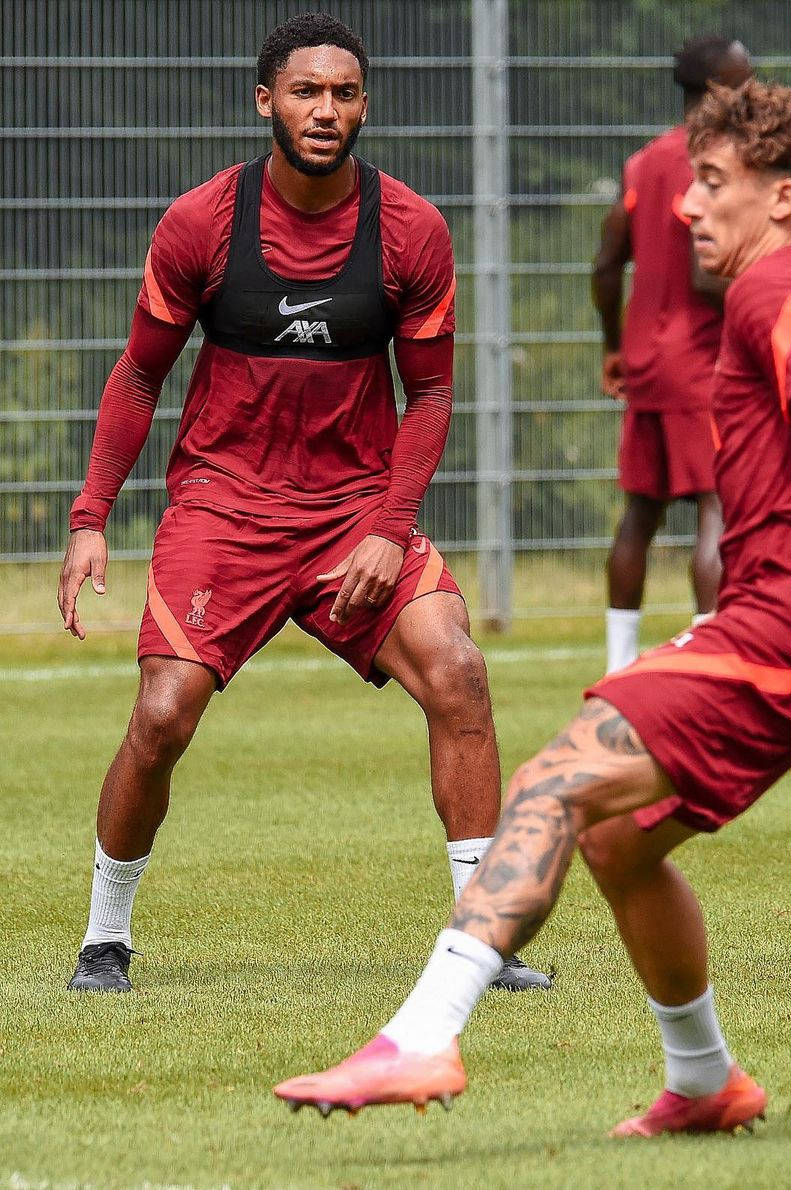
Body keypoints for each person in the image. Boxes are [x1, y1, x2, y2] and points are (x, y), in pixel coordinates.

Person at [275, 79, 791, 1137]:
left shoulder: (773, 291)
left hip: (781, 636)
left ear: (782, 199)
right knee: (619, 839)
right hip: (770, 627)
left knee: (551, 782)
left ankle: (422, 1033)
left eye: (711, 184)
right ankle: (704, 1080)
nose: (688, 208)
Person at [58, 12, 549, 995]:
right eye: (305, 91)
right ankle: (103, 937)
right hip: (222, 510)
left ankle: (482, 940)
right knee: (162, 714)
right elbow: (141, 374)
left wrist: (387, 526)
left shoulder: (411, 228)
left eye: (344, 93)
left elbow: (434, 395)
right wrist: (88, 516)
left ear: (365, 106)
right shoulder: (202, 222)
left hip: (354, 514)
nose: (325, 109)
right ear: (265, 101)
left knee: (459, 672)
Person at [593, 36, 752, 675]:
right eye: (743, 84)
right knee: (717, 501)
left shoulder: (644, 162)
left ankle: (617, 663)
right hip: (700, 360)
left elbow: (607, 264)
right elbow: (708, 277)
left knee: (641, 510)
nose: (753, 95)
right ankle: (713, 655)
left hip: (646, 361)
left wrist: (613, 348)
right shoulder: (711, 163)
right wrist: (772, 277)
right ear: (716, 90)